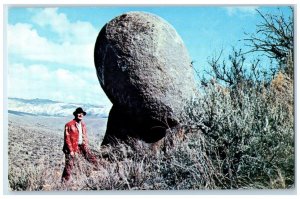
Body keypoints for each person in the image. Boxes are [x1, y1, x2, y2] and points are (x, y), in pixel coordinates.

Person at [61, 107, 97, 182]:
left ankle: (98, 172)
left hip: (81, 146)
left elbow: (84, 136)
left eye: (82, 113)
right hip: (71, 147)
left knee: (90, 159)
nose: (80, 115)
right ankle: (64, 182)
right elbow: (67, 138)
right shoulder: (69, 125)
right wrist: (71, 150)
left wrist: (86, 145)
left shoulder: (83, 125)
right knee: (69, 165)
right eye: (79, 113)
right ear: (75, 114)